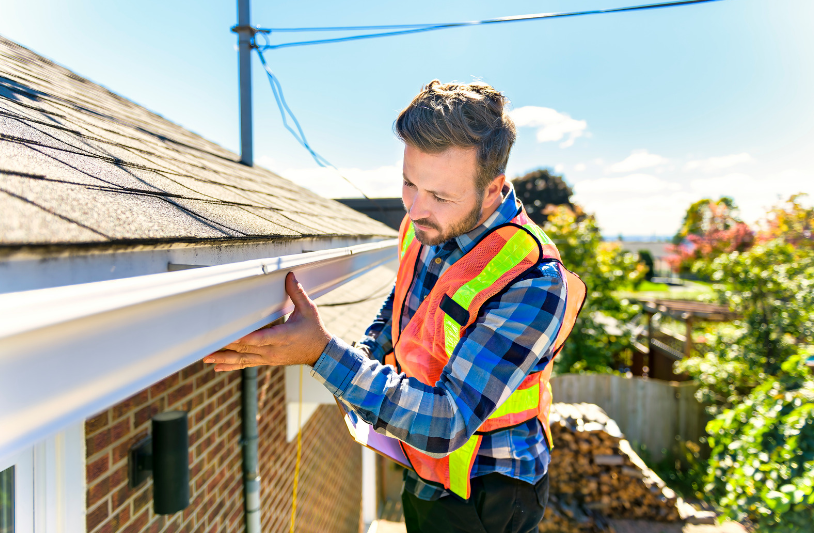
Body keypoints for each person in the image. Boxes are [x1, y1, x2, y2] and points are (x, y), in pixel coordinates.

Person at [204, 80, 584, 533]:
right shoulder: (424, 225)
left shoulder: (533, 281)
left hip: (488, 491)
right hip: (422, 467)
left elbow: (446, 422)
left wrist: (322, 354)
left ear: (493, 188)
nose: (417, 208)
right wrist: (365, 351)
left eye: (441, 196)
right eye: (409, 183)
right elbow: (403, 300)